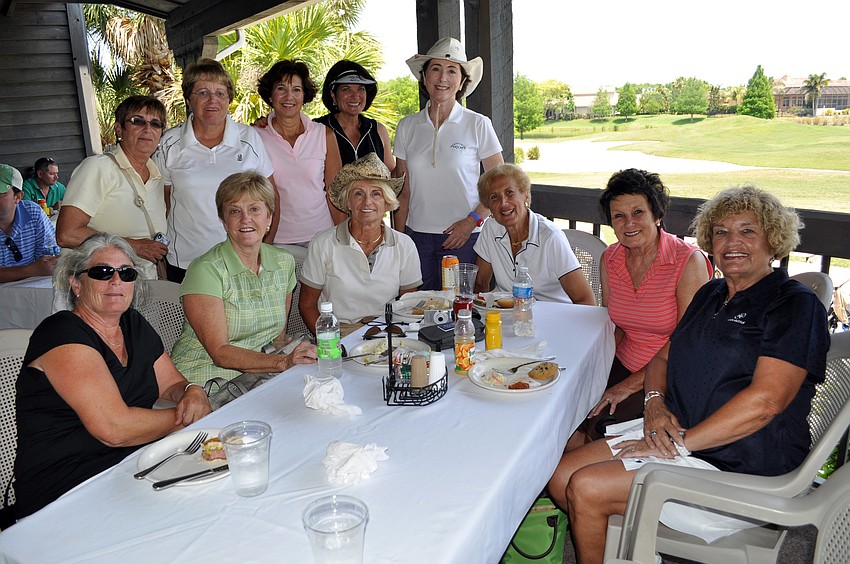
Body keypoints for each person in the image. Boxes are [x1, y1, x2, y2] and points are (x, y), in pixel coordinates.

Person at [547, 186, 829, 564]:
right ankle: (635, 543)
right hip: (679, 432)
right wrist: (654, 404)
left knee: (585, 487)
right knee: (560, 476)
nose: (732, 242)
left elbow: (766, 402)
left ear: (773, 240)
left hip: (741, 464)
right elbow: (663, 359)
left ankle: (623, 529)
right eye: (721, 232)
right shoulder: (712, 293)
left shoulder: (794, 304)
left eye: (748, 231)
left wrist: (681, 444)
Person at [14, 233, 211, 519]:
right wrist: (187, 417)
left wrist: (192, 391)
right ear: (76, 283)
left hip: (133, 470)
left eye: (126, 272)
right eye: (102, 272)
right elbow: (114, 430)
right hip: (66, 492)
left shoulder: (133, 324)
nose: (116, 281)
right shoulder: (60, 334)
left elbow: (171, 384)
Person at [569, 169, 712, 448]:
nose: (628, 223)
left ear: (657, 216)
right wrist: (591, 368)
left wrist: (625, 387)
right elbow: (616, 326)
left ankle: (590, 483)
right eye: (619, 216)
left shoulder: (687, 262)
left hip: (667, 375)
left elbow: (688, 345)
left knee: (599, 425)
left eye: (638, 212)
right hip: (622, 363)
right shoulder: (610, 259)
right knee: (566, 412)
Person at [171, 172, 317, 385]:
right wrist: (283, 363)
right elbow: (220, 353)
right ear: (223, 220)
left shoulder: (284, 262)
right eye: (234, 211)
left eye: (255, 209)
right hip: (206, 381)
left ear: (269, 217)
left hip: (259, 376)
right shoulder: (206, 270)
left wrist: (297, 354)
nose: (245, 219)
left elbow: (276, 339)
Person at [394, 37, 504, 290]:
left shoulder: (478, 123)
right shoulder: (407, 126)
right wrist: (399, 240)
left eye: (452, 70)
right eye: (436, 69)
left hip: (465, 237)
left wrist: (471, 221)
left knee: (463, 310)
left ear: (462, 81)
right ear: (424, 77)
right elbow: (403, 190)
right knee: (419, 310)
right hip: (416, 237)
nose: (442, 78)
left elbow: (498, 185)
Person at [156, 58, 275, 283]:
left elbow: (270, 199)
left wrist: (262, 250)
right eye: (202, 93)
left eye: (220, 93)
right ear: (189, 100)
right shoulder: (169, 143)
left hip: (241, 259)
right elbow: (163, 204)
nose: (212, 100)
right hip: (186, 261)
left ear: (229, 99)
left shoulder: (249, 138)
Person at [300, 153, 422, 336]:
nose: (367, 202)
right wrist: (330, 342)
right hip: (339, 333)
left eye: (376, 193)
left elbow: (408, 305)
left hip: (386, 333)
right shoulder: (324, 243)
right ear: (347, 201)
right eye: (358, 194)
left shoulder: (404, 245)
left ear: (387, 202)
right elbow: (307, 304)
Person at [57, 95, 168, 280]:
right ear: (119, 128)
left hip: (143, 286)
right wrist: (133, 246)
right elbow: (67, 234)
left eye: (156, 124)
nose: (148, 129)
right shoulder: (98, 167)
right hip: (97, 287)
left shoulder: (157, 178)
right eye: (137, 121)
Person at [473, 164, 595, 305]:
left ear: (525, 195)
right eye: (494, 197)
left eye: (509, 192)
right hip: (505, 317)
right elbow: (480, 284)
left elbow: (585, 299)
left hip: (552, 317)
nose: (503, 203)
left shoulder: (550, 236)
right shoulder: (491, 228)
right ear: (489, 207)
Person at [255, 60, 337, 246]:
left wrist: (344, 239)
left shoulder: (324, 134)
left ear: (304, 95)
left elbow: (335, 193)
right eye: (281, 88)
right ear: (270, 95)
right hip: (276, 240)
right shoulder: (255, 137)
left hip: (322, 238)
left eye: (297, 90)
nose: (289, 96)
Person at [315, 60, 394, 224]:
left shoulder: (377, 130)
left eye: (361, 89)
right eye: (346, 89)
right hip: (327, 225)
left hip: (371, 224)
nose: (355, 96)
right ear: (333, 94)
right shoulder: (317, 129)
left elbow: (391, 178)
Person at [0, 163, 58, 283]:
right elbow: (39, 268)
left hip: (29, 291)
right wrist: (31, 270)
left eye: (0, 194)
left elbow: (49, 261)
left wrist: (38, 269)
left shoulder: (33, 214)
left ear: (18, 197)